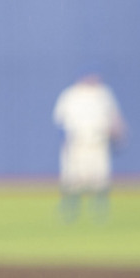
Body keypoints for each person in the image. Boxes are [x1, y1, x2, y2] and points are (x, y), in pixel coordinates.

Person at [52, 73, 125, 223]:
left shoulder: (103, 93)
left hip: (98, 142)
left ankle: (100, 213)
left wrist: (118, 135)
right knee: (72, 179)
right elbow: (60, 119)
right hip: (77, 142)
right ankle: (69, 212)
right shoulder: (70, 95)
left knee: (100, 178)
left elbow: (114, 117)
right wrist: (64, 139)